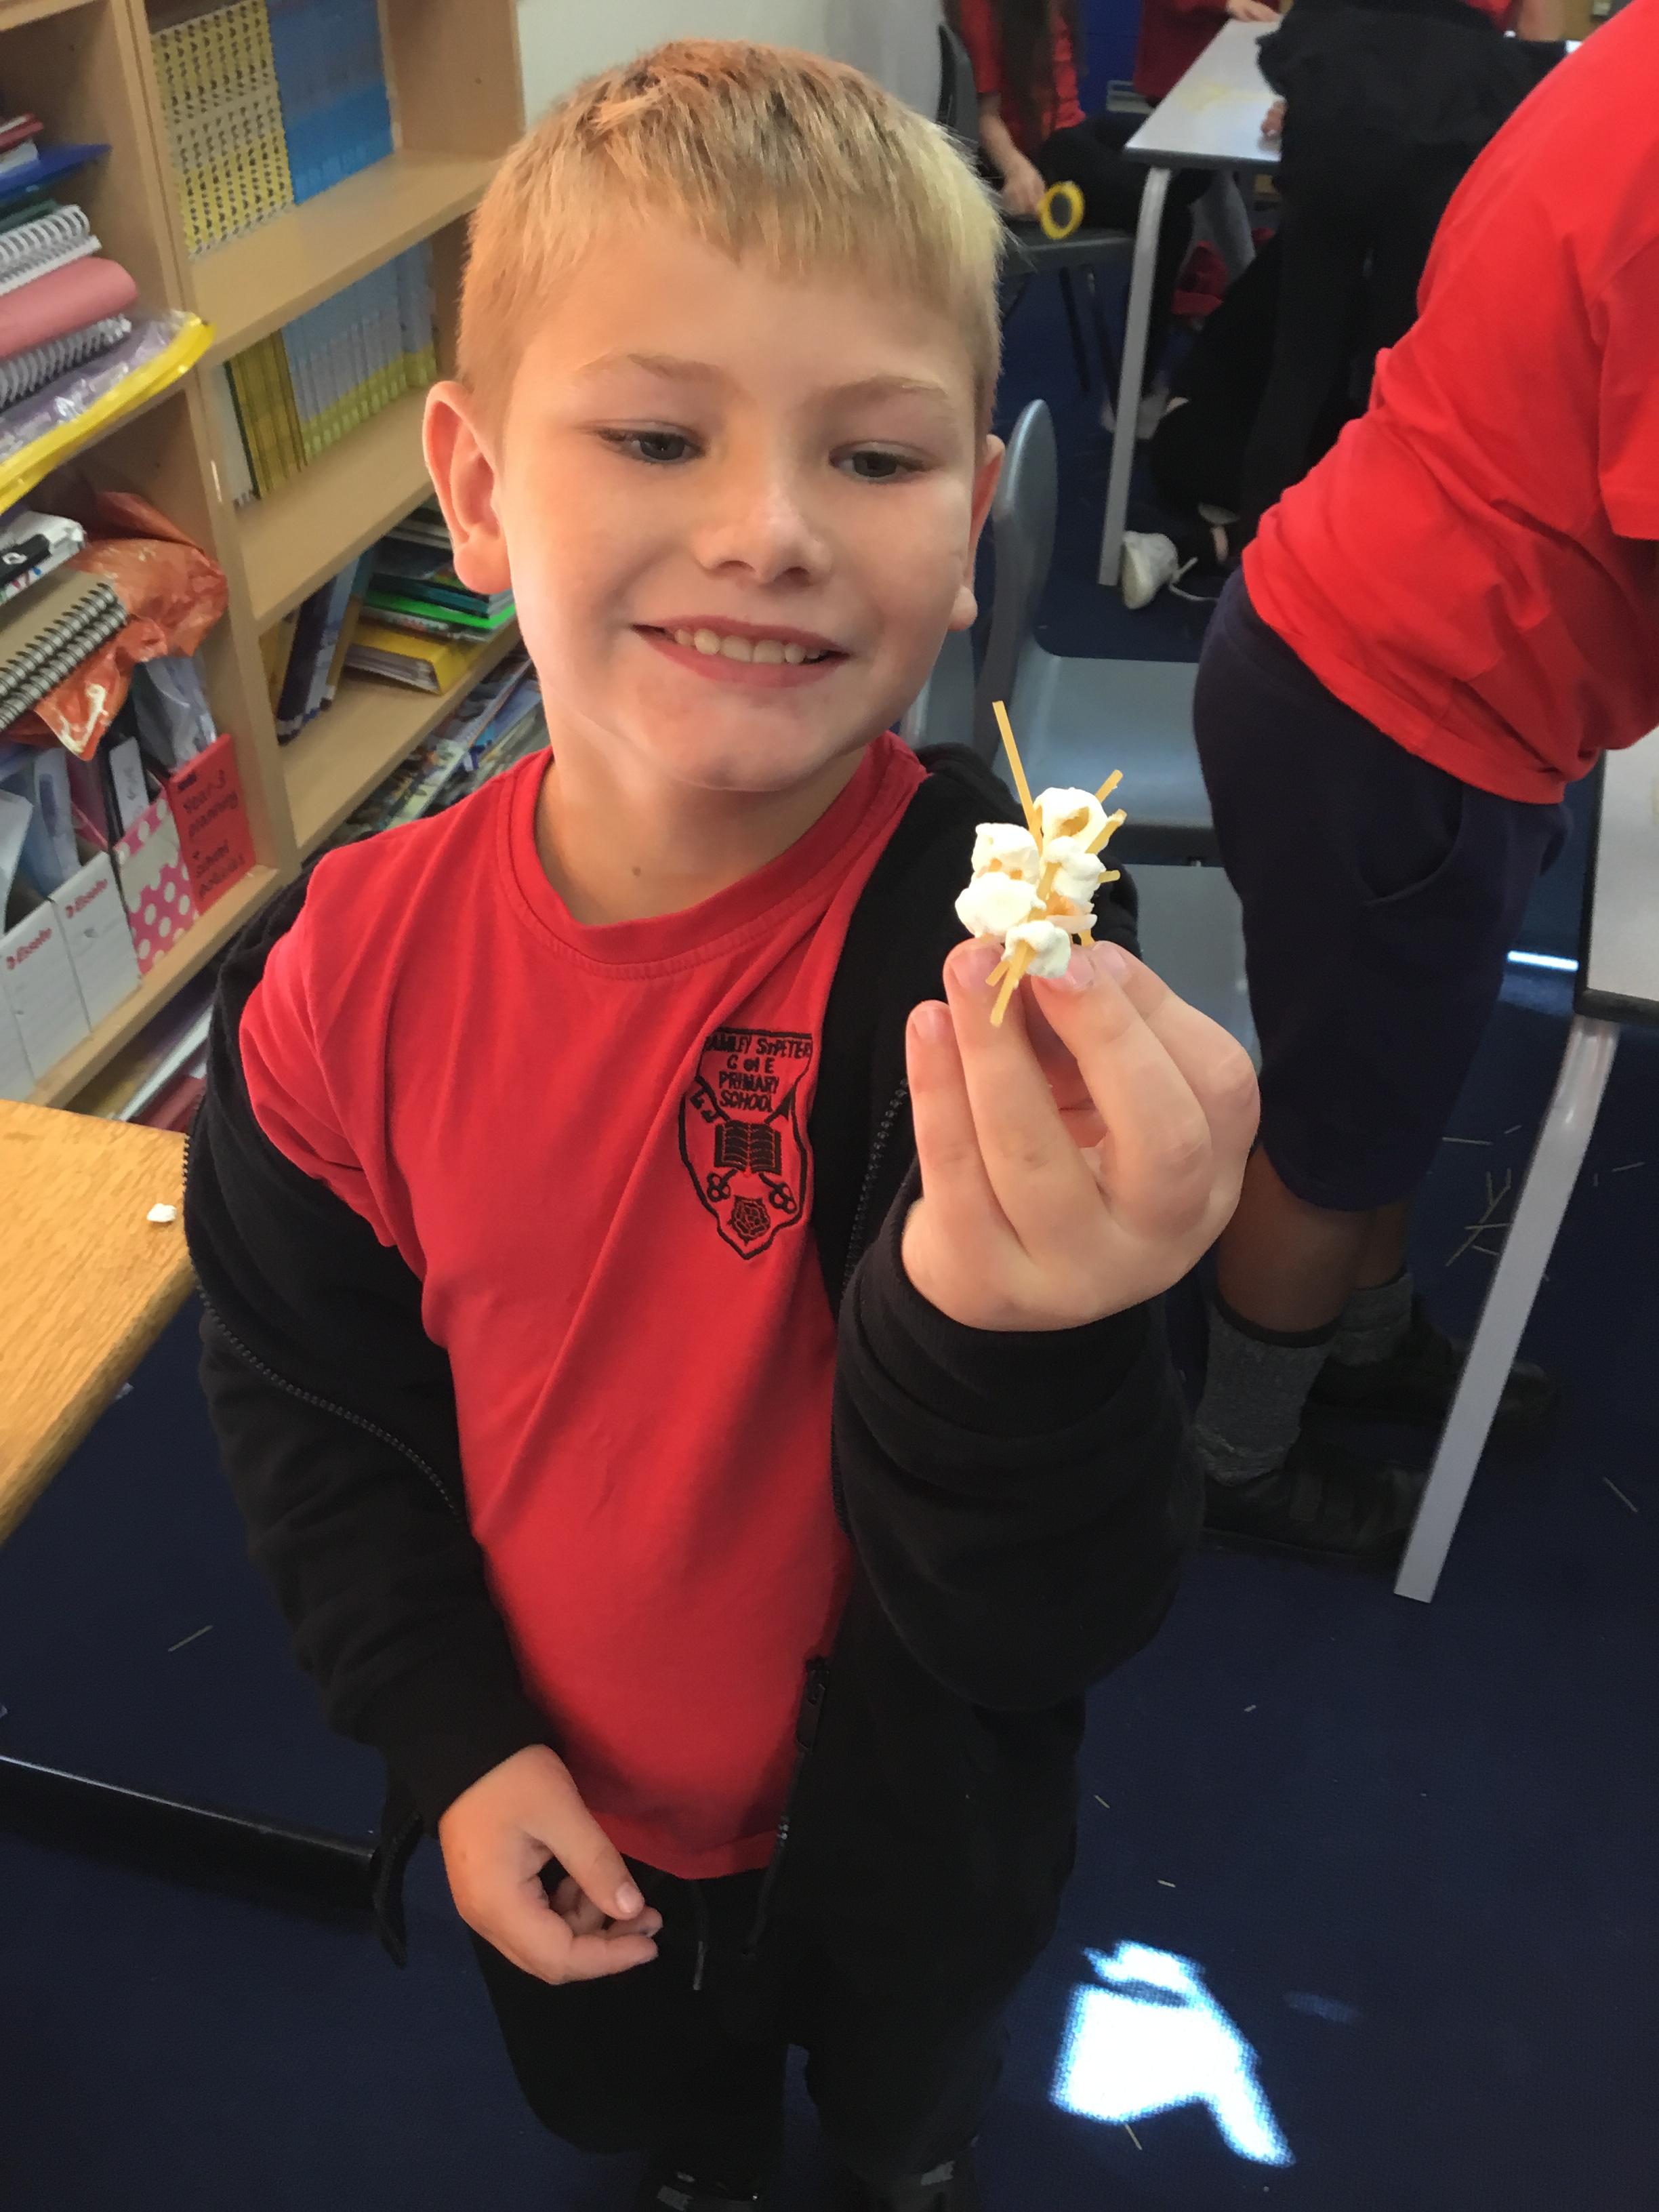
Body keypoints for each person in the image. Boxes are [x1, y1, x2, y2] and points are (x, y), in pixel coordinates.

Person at [184, 41, 1257, 2212]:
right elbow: (312, 1409)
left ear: (968, 519)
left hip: (914, 1822)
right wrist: (452, 1742)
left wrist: (1021, 1330)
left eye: (872, 454)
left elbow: (1066, 1600)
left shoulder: (1005, 980)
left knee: (903, 2089)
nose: (769, 527)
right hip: (554, 1792)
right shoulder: (337, 984)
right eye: (659, 435)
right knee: (637, 2108)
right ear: (478, 490)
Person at [1185, 0, 1659, 1569]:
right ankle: (1238, 1457)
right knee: (1332, 1130)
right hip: (1407, 704)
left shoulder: (1633, 52)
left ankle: (1358, 1339)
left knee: (1379, 1068)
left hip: (1362, 641)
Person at [952, 0, 1275, 417]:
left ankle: (1193, 289)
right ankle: (1131, 396)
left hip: (1071, 134)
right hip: (1038, 157)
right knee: (1167, 221)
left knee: (1189, 152)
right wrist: (1016, 171)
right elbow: (984, 113)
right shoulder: (980, 7)